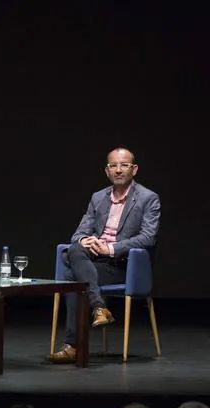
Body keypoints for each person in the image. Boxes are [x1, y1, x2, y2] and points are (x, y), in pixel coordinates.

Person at [49, 147, 160, 364]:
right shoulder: (98, 198)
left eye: (124, 165)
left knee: (72, 277)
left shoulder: (148, 198)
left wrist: (110, 248)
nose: (119, 170)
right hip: (94, 264)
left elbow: (148, 237)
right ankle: (99, 308)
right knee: (75, 248)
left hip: (123, 267)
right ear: (107, 171)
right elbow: (79, 233)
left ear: (134, 169)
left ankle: (73, 345)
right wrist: (85, 240)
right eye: (113, 166)